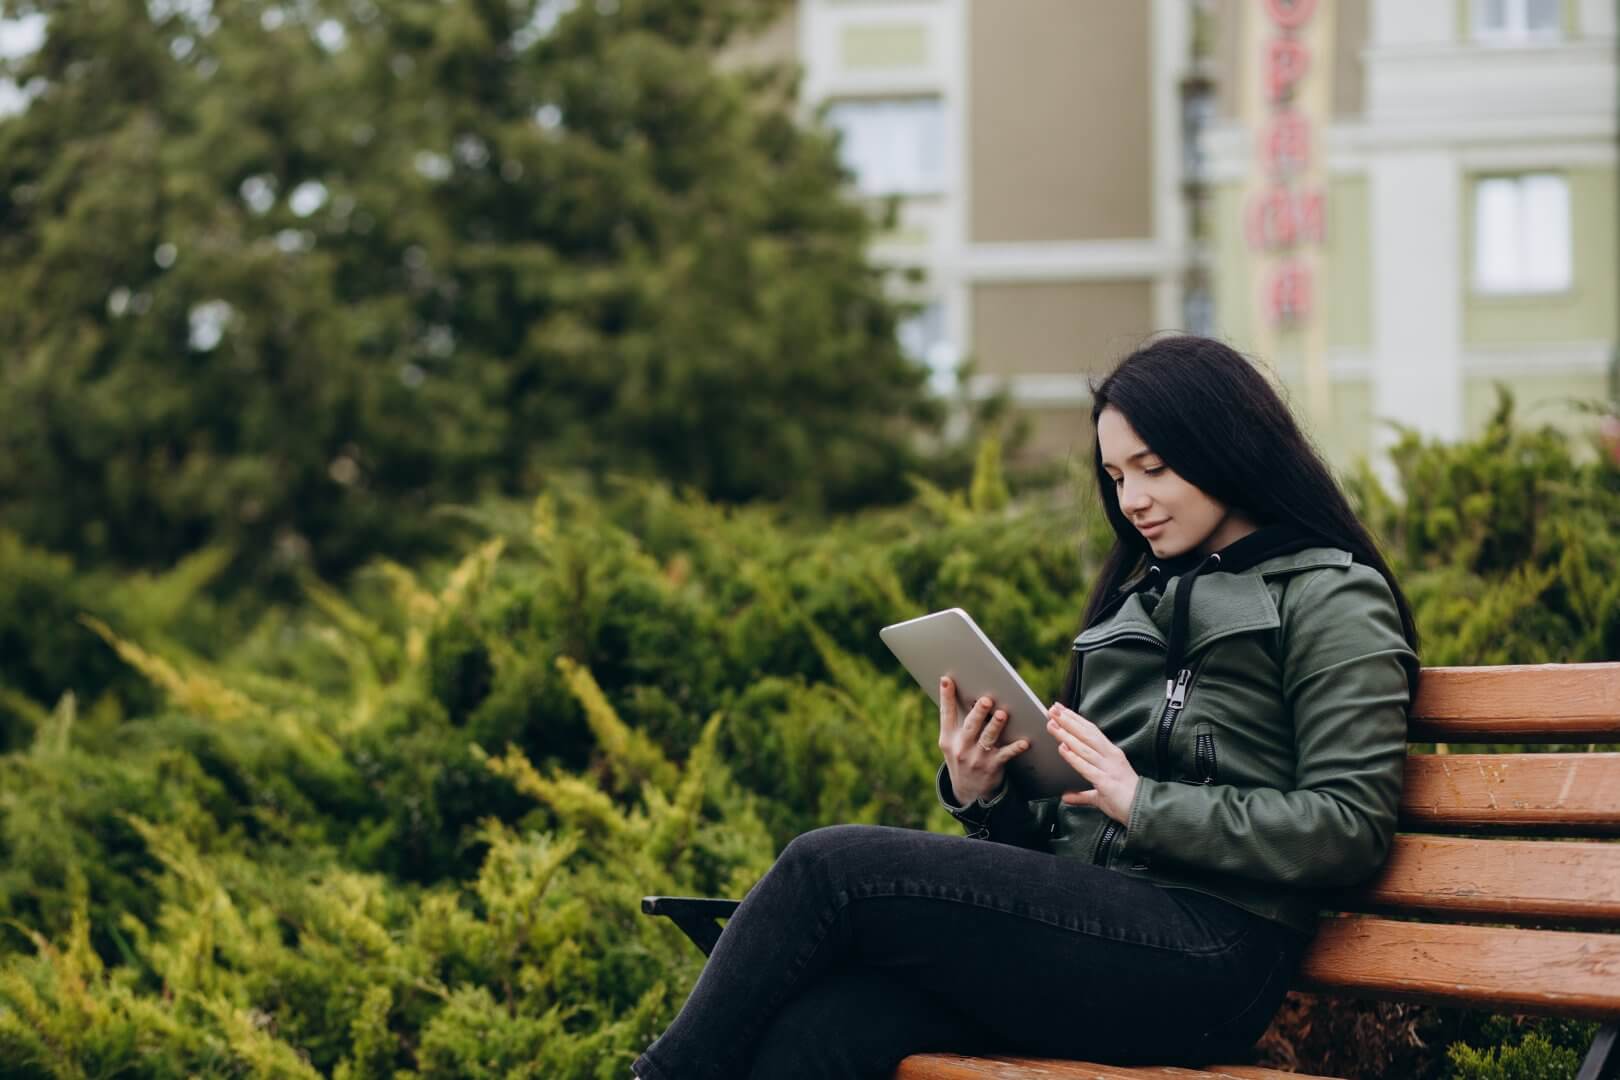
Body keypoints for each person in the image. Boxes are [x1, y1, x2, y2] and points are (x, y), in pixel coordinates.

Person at [632, 335, 1420, 1079]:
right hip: (1101, 938)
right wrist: (989, 795)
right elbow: (1074, 833)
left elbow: (1348, 826)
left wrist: (1148, 805)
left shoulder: (1331, 596)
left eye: (1153, 469)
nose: (1133, 500)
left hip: (1213, 954)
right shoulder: (1132, 603)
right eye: (1116, 478)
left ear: (1228, 448)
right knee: (827, 1030)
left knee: (829, 870)